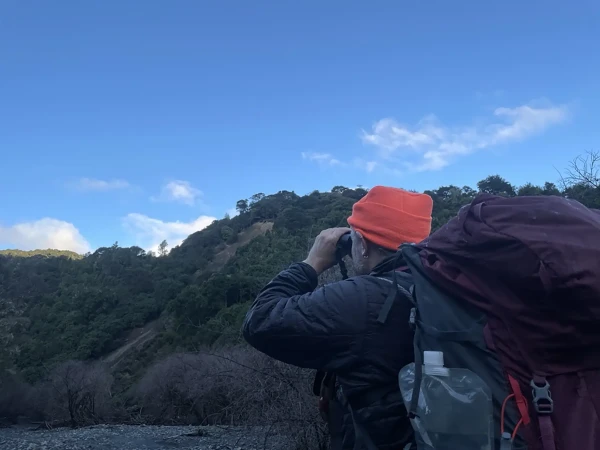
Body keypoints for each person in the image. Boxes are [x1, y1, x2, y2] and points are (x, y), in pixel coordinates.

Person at [242, 186, 433, 450]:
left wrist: (311, 263)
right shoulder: (444, 289)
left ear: (363, 245)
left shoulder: (361, 298)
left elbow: (260, 321)